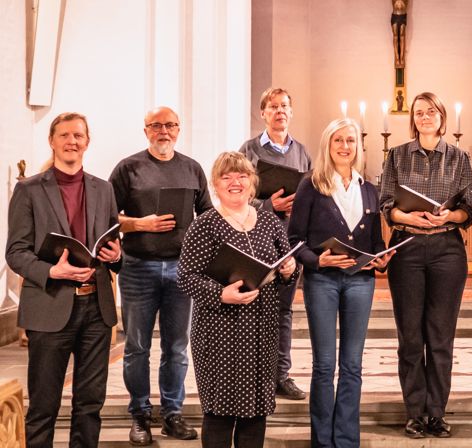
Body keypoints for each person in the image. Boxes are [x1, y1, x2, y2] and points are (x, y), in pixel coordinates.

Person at [6, 112, 122, 447]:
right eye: (65, 135)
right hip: (50, 306)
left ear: (87, 142)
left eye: (78, 136)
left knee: (90, 405)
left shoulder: (104, 189)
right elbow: (15, 252)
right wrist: (52, 271)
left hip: (96, 309)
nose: (72, 141)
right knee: (43, 406)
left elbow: (113, 244)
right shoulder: (29, 190)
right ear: (52, 141)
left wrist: (116, 256)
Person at [177, 152, 298, 447]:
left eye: (242, 175)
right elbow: (185, 278)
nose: (235, 182)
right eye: (226, 176)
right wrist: (221, 293)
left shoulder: (269, 222)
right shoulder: (204, 225)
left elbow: (287, 272)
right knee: (220, 413)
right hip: (220, 332)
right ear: (215, 185)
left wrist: (289, 270)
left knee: (255, 413)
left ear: (252, 183)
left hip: (261, 329)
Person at [108, 106, 212, 444]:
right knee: (137, 346)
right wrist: (141, 224)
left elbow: (207, 214)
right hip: (139, 267)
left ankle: (172, 414)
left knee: (177, 347)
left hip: (182, 269)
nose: (163, 131)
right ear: (145, 130)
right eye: (156, 125)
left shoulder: (192, 168)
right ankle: (139, 414)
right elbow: (108, 217)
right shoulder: (128, 168)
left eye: (170, 125)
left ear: (179, 129)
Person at [288, 119, 393, 447]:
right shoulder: (311, 185)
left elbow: (376, 241)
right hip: (322, 281)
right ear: (327, 145)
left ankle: (346, 440)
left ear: (358, 147)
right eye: (338, 141)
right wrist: (318, 260)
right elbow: (294, 240)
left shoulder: (368, 189)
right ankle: (322, 440)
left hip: (360, 282)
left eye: (350, 141)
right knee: (324, 364)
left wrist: (381, 257)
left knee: (352, 364)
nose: (345, 146)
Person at [379, 91, 472, 438]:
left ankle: (436, 413)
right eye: (419, 112)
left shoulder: (459, 158)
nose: (424, 117)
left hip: (447, 249)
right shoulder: (398, 156)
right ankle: (414, 412)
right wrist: (406, 215)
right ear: (413, 119)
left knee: (439, 335)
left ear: (442, 116)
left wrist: (452, 214)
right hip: (406, 245)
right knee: (410, 335)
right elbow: (385, 203)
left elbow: (469, 210)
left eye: (431, 111)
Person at [240, 87, 312, 401]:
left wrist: (302, 205)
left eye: (284, 105)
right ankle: (253, 373)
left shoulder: (302, 151)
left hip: (290, 243)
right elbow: (236, 195)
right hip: (257, 241)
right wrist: (269, 205)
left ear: (291, 112)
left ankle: (280, 374)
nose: (279, 111)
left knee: (283, 311)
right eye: (273, 106)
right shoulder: (249, 150)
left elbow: (311, 193)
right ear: (263, 113)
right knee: (253, 309)